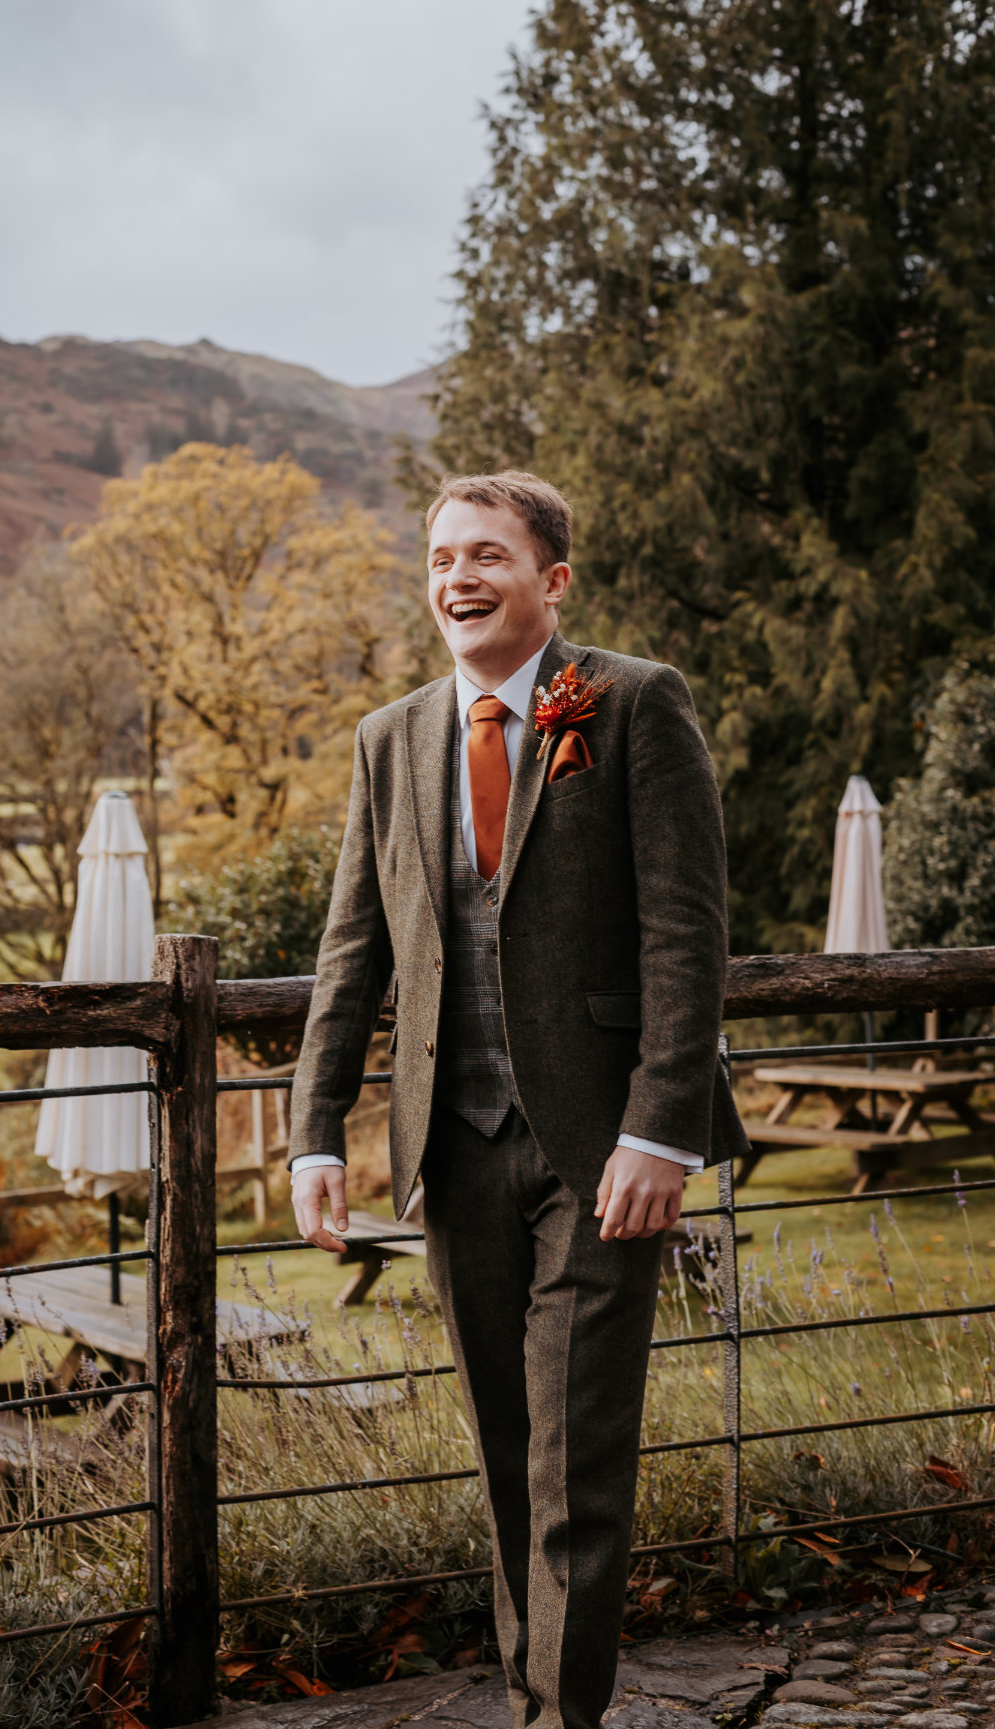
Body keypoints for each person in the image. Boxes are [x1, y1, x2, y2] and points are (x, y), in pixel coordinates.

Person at [289, 470, 748, 1729]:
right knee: (505, 1452)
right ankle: (531, 1690)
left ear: (551, 580)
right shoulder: (392, 741)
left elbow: (686, 935)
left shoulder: (635, 704)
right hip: (455, 1145)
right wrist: (313, 1133)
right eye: (442, 558)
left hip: (605, 1155)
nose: (459, 579)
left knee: (574, 1463)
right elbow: (352, 954)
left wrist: (663, 1128)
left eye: (487, 555)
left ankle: (559, 1718)